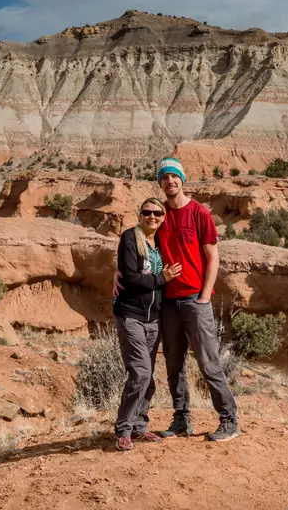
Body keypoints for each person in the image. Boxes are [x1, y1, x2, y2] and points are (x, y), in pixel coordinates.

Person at [117, 157, 240, 442]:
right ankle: (181, 418)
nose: (169, 181)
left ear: (182, 180)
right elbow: (137, 243)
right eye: (164, 177)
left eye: (174, 176)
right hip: (167, 303)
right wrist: (116, 272)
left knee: (209, 362)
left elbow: (213, 257)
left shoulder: (199, 213)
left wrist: (204, 296)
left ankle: (229, 419)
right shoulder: (159, 215)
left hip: (195, 300)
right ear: (159, 182)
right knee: (174, 365)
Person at [112, 197, 182, 452]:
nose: (152, 217)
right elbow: (130, 278)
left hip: (154, 317)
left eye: (157, 213)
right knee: (139, 372)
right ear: (140, 215)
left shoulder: (162, 242)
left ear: (164, 218)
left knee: (147, 376)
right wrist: (161, 278)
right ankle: (124, 429)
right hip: (130, 314)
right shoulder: (131, 238)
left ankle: (140, 425)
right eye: (147, 212)